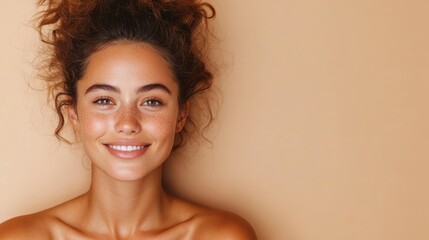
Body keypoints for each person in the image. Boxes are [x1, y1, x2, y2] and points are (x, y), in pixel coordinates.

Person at [0, 0, 257, 239]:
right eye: (104, 101)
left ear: (181, 114)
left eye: (151, 101)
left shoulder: (222, 236)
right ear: (74, 113)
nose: (127, 123)